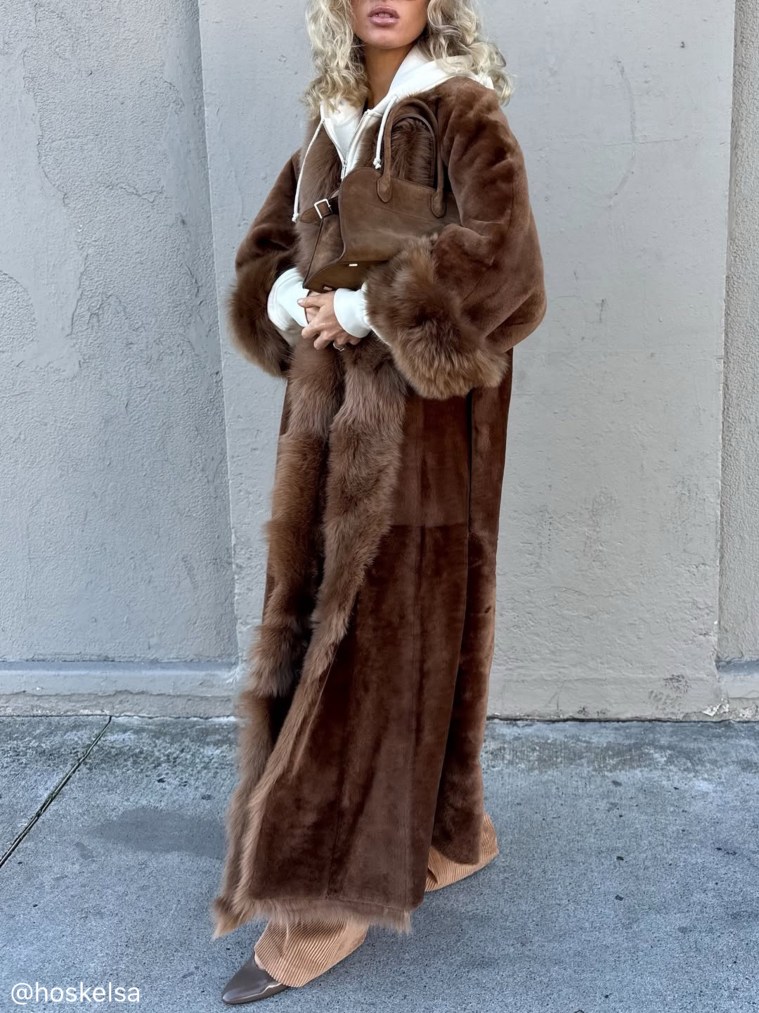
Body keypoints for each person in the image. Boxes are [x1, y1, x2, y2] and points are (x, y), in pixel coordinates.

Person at [212, 0, 547, 1002]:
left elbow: (510, 268)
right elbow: (270, 246)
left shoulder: (461, 110)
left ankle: (323, 902)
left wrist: (367, 306)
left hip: (421, 437)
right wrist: (288, 295)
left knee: (375, 642)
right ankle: (449, 832)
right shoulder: (332, 117)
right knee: (346, 627)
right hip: (322, 430)